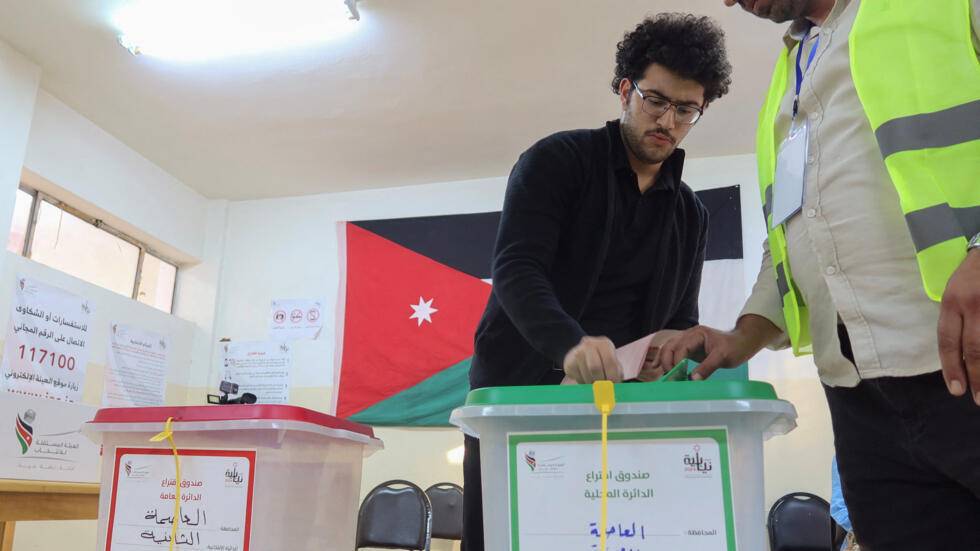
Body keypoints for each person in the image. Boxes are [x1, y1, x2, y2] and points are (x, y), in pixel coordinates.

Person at [654, 1, 980, 548]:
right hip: (861, 402)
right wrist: (741, 336)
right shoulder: (785, 86)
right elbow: (790, 241)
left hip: (964, 358)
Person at [462, 13, 733, 550]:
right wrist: (571, 346)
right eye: (655, 100)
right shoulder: (557, 161)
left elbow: (679, 318)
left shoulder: (690, 214)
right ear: (625, 90)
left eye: (686, 110)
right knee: (506, 535)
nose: (668, 120)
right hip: (521, 392)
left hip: (622, 406)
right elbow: (517, 267)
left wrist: (670, 351)